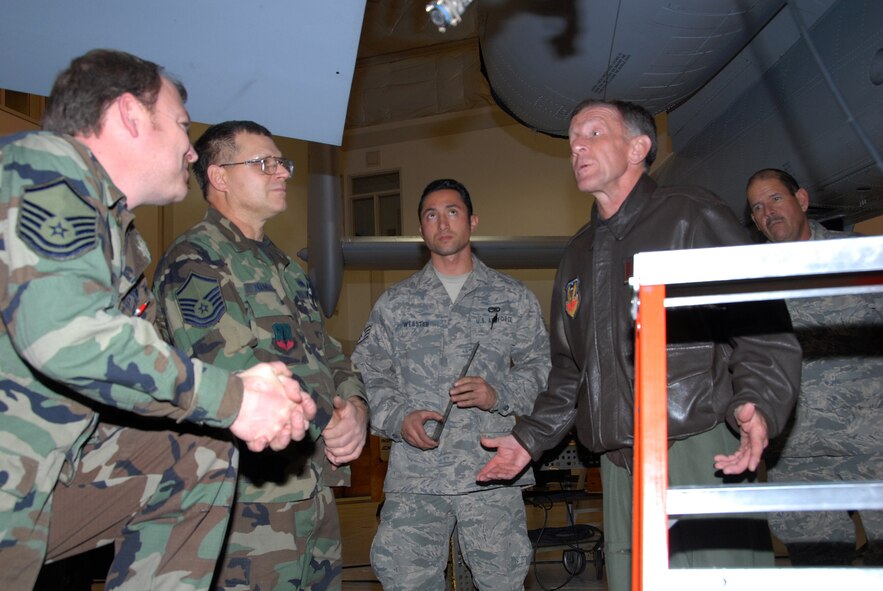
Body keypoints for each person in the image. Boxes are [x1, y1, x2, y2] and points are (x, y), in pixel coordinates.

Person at [0, 49, 316, 591]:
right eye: (182, 126)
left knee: (199, 451)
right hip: (18, 474)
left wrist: (244, 402)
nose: (190, 151)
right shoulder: (45, 165)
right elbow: (67, 337)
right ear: (129, 114)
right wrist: (235, 399)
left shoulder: (120, 234)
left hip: (41, 478)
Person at [477, 100, 802, 591]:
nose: (577, 147)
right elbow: (569, 371)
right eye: (571, 140)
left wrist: (759, 401)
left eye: (592, 133)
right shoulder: (577, 255)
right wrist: (529, 440)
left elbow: (760, 322)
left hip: (695, 449)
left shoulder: (692, 216)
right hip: (619, 468)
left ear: (638, 147)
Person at [152, 120, 368, 590]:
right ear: (220, 176)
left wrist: (356, 410)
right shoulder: (196, 261)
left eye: (282, 163)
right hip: (243, 501)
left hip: (311, 490)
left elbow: (329, 354)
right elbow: (230, 373)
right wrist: (331, 416)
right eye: (264, 163)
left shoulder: (286, 268)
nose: (282, 172)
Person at [351, 178, 551, 591]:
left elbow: (541, 367)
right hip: (417, 477)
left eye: (453, 212)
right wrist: (398, 418)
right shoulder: (395, 303)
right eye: (431, 215)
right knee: (408, 581)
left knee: (503, 581)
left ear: (472, 221)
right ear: (421, 230)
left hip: (491, 472)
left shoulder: (511, 297)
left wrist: (499, 395)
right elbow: (368, 372)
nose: (442, 223)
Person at [747, 168, 883, 565]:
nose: (767, 212)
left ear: (802, 200)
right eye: (757, 207)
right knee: (818, 566)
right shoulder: (750, 278)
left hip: (870, 442)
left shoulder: (858, 257)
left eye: (774, 199)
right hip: (797, 453)